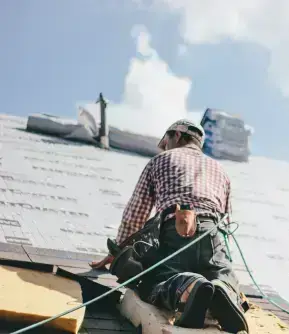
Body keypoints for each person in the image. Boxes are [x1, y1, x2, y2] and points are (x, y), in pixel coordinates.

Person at [90, 119, 248, 333]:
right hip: (212, 233)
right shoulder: (220, 170)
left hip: (174, 230)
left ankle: (189, 287)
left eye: (165, 142)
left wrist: (118, 251)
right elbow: (226, 224)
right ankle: (224, 290)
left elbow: (136, 213)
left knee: (157, 280)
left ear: (177, 135)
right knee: (219, 273)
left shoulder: (161, 160)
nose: (163, 147)